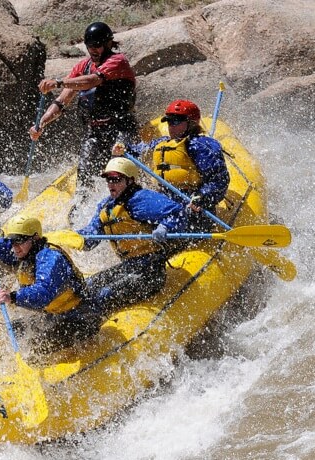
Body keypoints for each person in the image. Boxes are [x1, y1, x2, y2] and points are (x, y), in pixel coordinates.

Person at [29, 21, 138, 198]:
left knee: (117, 171)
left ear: (109, 44)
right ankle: (81, 205)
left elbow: (92, 81)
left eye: (98, 46)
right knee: (85, 173)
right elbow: (62, 101)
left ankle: (125, 200)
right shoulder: (83, 66)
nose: (94, 50)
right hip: (94, 131)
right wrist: (41, 123)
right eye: (90, 47)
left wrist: (57, 82)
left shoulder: (118, 61)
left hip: (121, 128)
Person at [77, 157, 188, 311]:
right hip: (128, 266)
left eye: (115, 179)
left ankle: (91, 324)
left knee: (104, 294)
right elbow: (92, 234)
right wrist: (77, 238)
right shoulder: (106, 206)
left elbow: (178, 213)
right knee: (85, 288)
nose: (110, 184)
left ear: (130, 180)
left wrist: (165, 227)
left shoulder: (142, 200)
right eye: (108, 179)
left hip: (150, 272)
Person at [0, 214, 100, 345]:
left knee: (32, 346)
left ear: (35, 238)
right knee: (6, 335)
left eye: (19, 241)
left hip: (80, 315)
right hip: (53, 315)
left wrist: (13, 297)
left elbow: (44, 292)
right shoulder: (21, 252)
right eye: (12, 242)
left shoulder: (51, 258)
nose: (15, 247)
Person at [113, 99, 230, 231]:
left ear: (191, 123)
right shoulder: (163, 142)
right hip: (165, 202)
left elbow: (219, 179)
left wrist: (202, 196)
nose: (171, 126)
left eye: (175, 121)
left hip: (191, 204)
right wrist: (125, 149)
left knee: (184, 216)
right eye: (169, 121)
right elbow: (140, 150)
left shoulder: (200, 145)